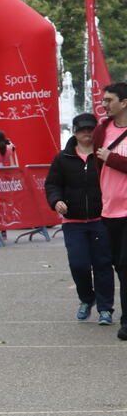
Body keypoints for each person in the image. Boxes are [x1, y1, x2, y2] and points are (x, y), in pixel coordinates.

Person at [46, 112, 115, 326]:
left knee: (103, 265)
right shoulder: (63, 158)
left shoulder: (104, 155)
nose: (87, 133)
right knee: (79, 265)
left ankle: (105, 309)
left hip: (101, 219)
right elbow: (52, 184)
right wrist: (56, 201)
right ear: (74, 132)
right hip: (73, 222)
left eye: (90, 129)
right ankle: (87, 298)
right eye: (82, 129)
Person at [92, 82, 127, 340]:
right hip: (109, 211)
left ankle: (126, 321)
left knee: (125, 266)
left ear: (124, 102)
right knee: (117, 265)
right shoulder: (102, 130)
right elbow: (95, 162)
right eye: (103, 100)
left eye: (109, 100)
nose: (104, 104)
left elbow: (106, 159)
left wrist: (112, 158)